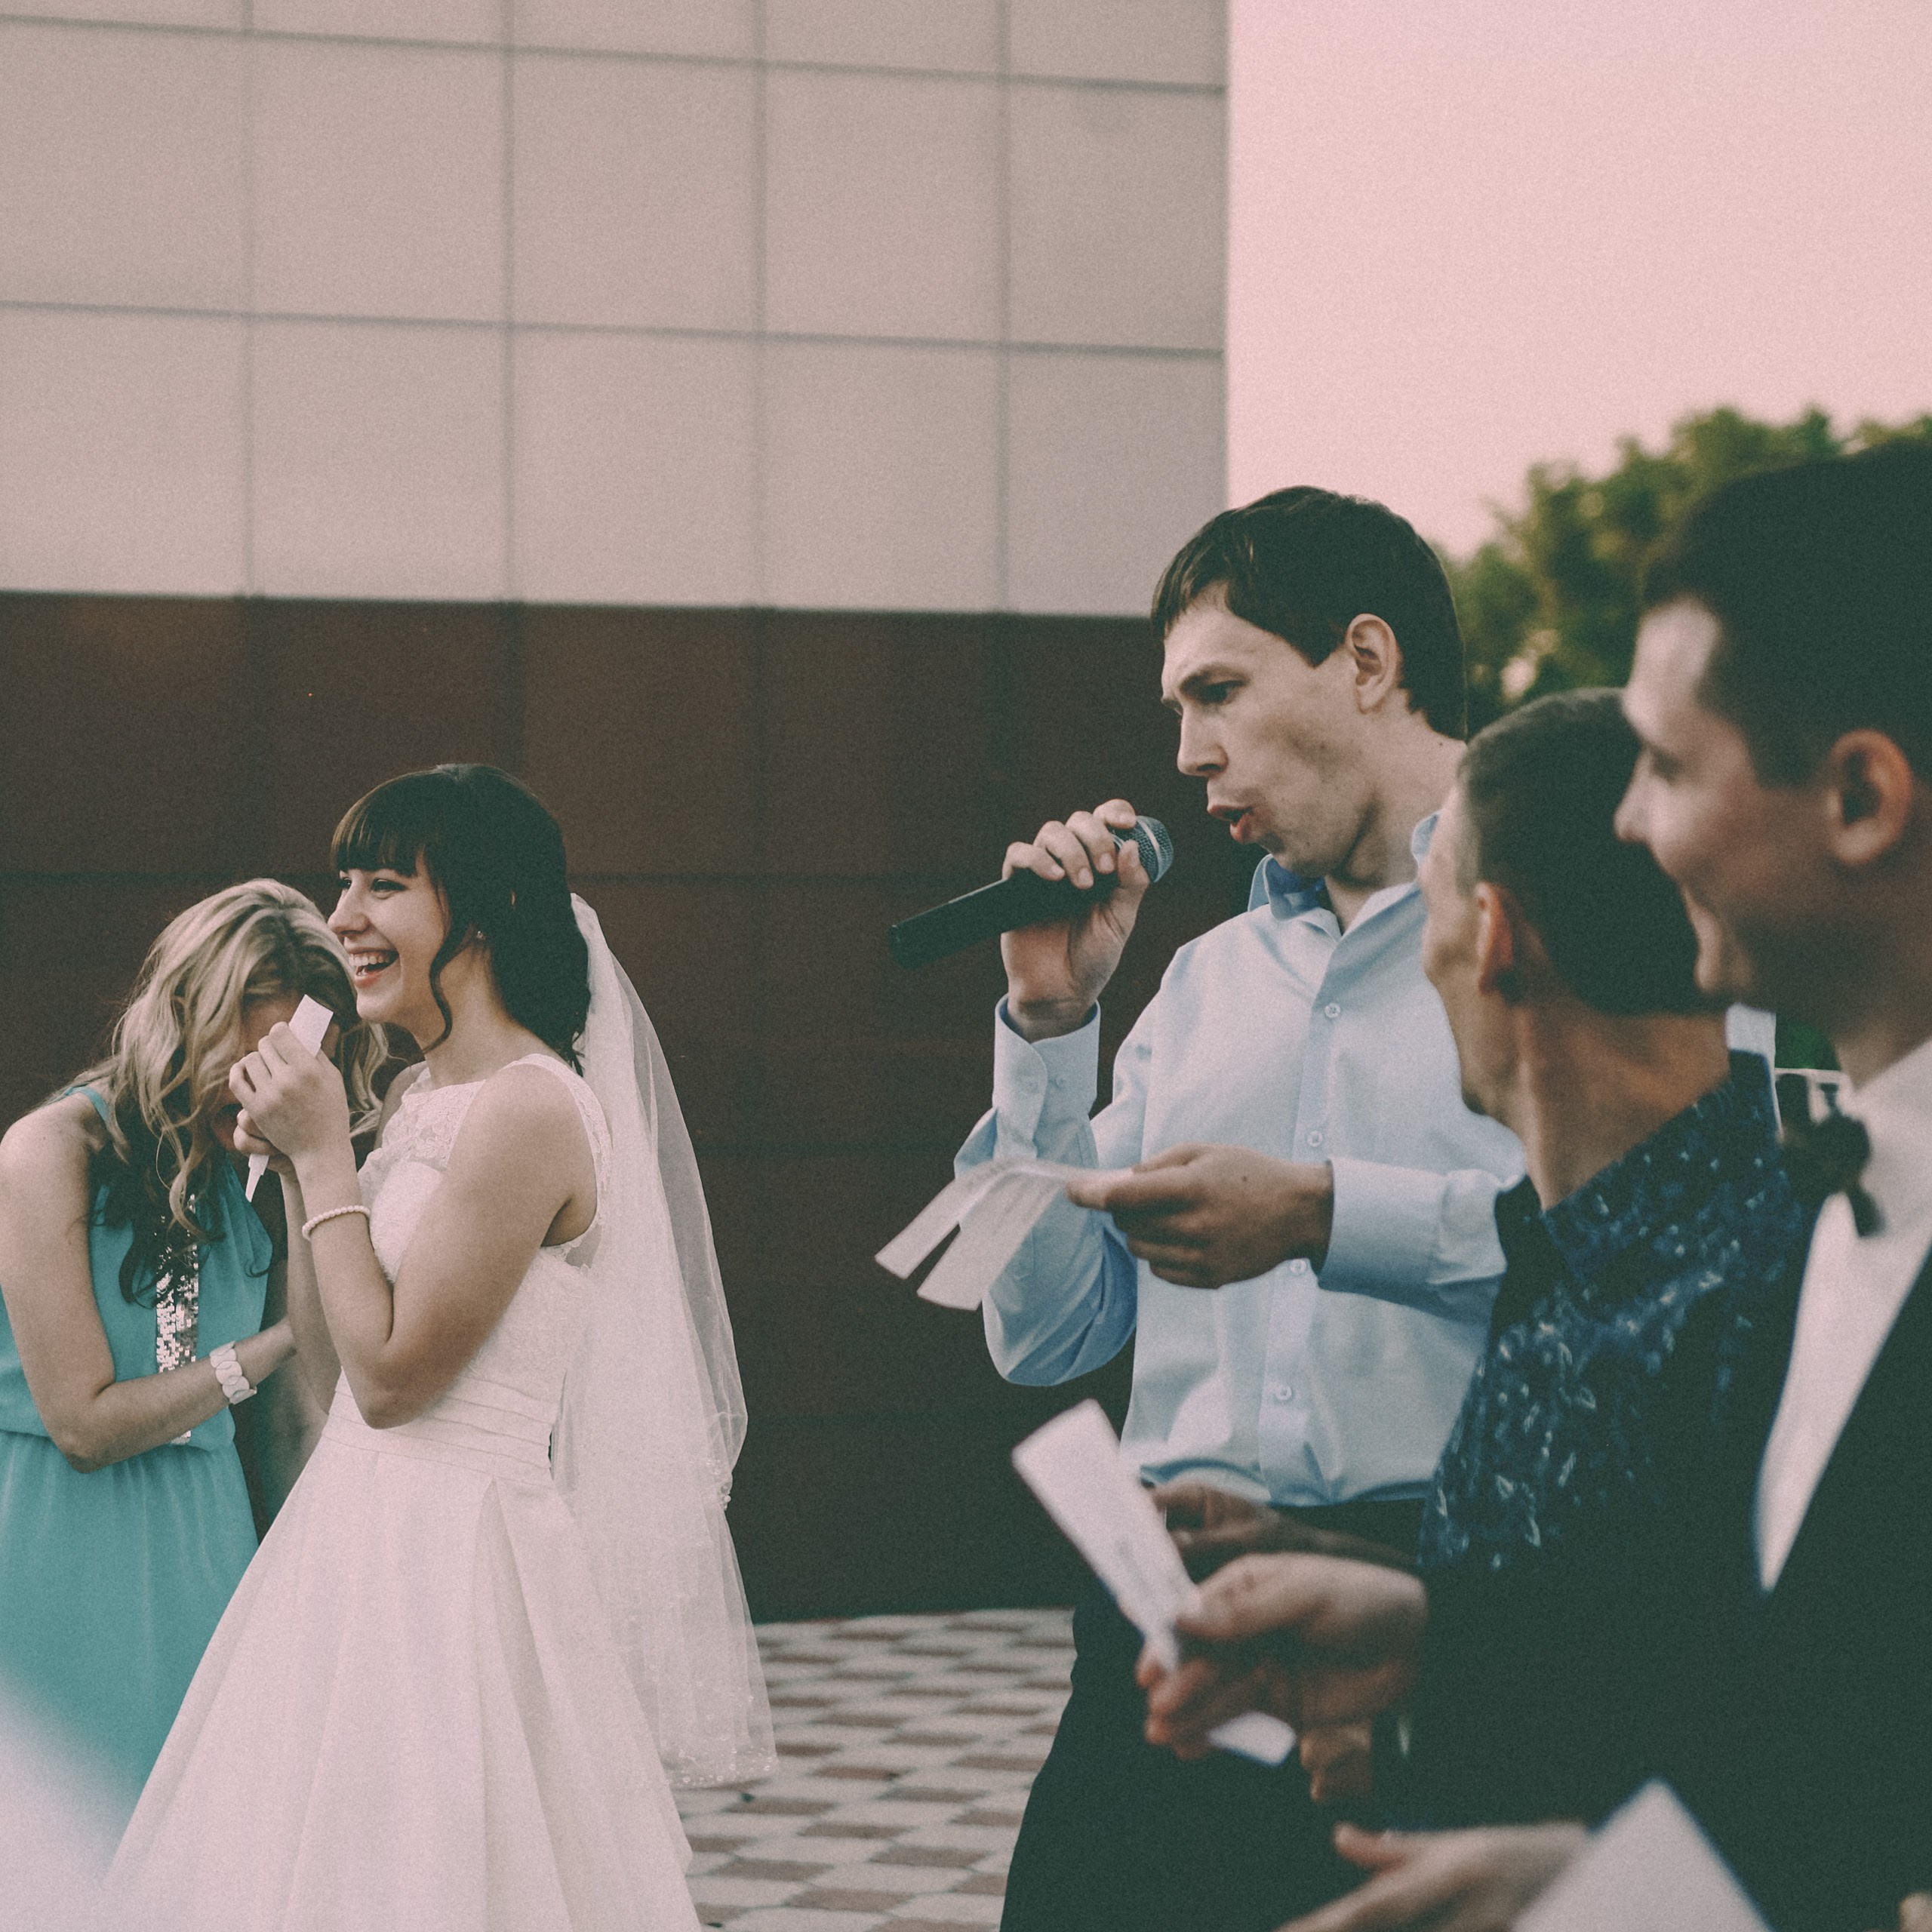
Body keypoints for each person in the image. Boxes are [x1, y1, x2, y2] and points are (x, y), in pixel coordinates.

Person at [1143, 444, 1932, 1932]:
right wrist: (1454, 1647)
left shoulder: (1754, 1243)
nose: (1625, 827)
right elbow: (1821, 1716)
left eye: (1666, 765)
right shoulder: (1840, 1209)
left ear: (1855, 794)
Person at [961, 486, 1526, 1931]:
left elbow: (1630, 1234)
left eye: (1218, 691)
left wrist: (1331, 1213)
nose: (1187, 753)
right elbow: (1038, 1335)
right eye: (1175, 709)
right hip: (1169, 1626)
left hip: (1438, 1623)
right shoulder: (1202, 981)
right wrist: (1047, 1026)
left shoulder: (1559, 905)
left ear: (1367, 661)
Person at [109, 764, 773, 1931]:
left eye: (385, 885)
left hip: (457, 1559)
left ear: (487, 910)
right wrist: (286, 1175)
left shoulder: (529, 1107)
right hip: (354, 1537)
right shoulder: (420, 1094)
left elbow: (399, 1378)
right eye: (342, 883)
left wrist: (325, 1159)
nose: (345, 918)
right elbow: (336, 1361)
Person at [0, 881, 377, 1828]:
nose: (263, 1087)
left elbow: (305, 1411)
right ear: (182, 1022)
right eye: (247, 1057)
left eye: (293, 1062)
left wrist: (299, 1171)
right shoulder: (52, 1149)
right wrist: (273, 1342)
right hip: (50, 1559)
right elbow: (82, 1422)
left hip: (209, 1564)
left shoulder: (262, 1172)